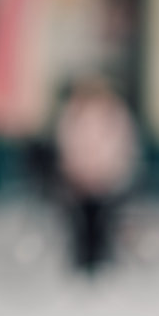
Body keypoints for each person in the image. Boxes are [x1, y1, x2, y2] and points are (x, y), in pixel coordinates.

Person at [54, 75, 139, 276]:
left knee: (104, 216)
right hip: (80, 174)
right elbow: (68, 143)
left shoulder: (112, 113)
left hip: (105, 174)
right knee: (79, 217)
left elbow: (119, 144)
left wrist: (103, 170)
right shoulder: (75, 112)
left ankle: (101, 257)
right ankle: (83, 258)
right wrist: (78, 169)